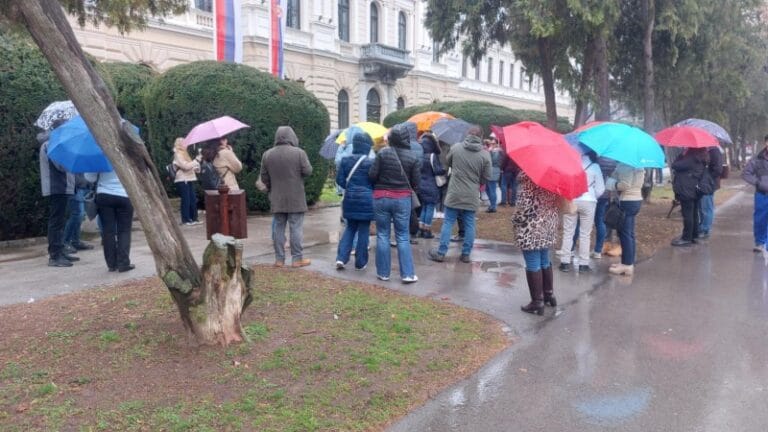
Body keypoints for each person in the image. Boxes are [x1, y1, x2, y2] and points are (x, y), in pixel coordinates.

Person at [428, 127, 492, 263]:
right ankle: (466, 254)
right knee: (469, 223)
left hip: (455, 192)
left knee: (448, 222)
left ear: (468, 135)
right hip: (471, 193)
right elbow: (487, 176)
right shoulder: (485, 154)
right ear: (481, 137)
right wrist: (477, 181)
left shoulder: (456, 148)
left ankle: (441, 252)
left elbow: (448, 162)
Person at [368, 123, 420, 283]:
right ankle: (408, 274)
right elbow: (416, 183)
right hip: (402, 199)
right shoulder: (413, 156)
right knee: (402, 236)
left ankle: (383, 273)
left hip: (381, 197)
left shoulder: (383, 153)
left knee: (383, 234)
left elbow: (372, 175)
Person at [260, 126, 313, 268]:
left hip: (276, 197)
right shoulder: (299, 153)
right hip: (296, 197)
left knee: (278, 228)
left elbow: (264, 177)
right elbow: (308, 171)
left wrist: (272, 188)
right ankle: (297, 259)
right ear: (292, 137)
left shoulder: (267, 154)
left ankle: (279, 259)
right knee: (295, 228)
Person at [513, 172, 560, 315]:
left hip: (531, 227)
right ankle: (548, 295)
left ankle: (537, 302)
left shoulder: (528, 179)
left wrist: (515, 219)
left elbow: (523, 207)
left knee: (533, 262)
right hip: (548, 224)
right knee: (544, 260)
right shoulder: (554, 178)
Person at [39, 124, 80, 267]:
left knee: (60, 221)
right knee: (56, 221)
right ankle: (55, 255)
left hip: (63, 187)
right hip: (56, 187)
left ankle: (60, 250)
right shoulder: (50, 145)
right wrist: (71, 157)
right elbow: (60, 166)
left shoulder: (54, 144)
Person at [558, 152, 605, 273]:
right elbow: (601, 189)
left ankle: (565, 262)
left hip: (572, 200)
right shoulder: (595, 167)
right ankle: (583, 264)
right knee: (585, 234)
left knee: (568, 232)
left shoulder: (570, 165)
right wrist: (592, 195)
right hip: (589, 201)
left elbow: (564, 183)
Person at [335, 132, 375, 270]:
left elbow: (339, 180)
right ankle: (360, 262)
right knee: (364, 230)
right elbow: (375, 181)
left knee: (350, 228)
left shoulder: (345, 161)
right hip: (367, 200)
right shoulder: (371, 163)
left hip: (350, 199)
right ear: (367, 147)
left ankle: (341, 258)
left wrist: (350, 188)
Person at [86, 169, 134, 272]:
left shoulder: (99, 156)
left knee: (108, 231)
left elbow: (89, 178)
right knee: (124, 231)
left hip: (104, 195)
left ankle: (111, 264)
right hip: (124, 194)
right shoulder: (125, 155)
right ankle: (123, 263)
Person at [604, 163, 645, 275]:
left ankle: (627, 265)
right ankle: (627, 262)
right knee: (629, 233)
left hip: (627, 200)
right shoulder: (639, 165)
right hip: (636, 199)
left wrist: (612, 183)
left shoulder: (626, 165)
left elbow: (625, 185)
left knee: (625, 234)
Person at [671, 148, 709, 247]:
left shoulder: (690, 159)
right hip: (695, 190)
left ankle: (686, 238)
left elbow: (675, 165)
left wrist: (681, 155)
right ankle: (694, 236)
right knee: (694, 214)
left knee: (687, 215)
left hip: (686, 190)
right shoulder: (701, 159)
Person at [742, 135, 768, 252]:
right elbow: (746, 174)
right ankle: (760, 242)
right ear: (765, 143)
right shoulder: (757, 160)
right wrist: (758, 183)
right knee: (760, 219)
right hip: (762, 194)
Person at [417, 132, 445, 239]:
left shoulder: (420, 155)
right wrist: (443, 170)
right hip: (431, 184)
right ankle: (427, 230)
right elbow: (437, 170)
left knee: (424, 206)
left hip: (421, 184)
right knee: (430, 207)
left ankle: (421, 229)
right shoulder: (432, 156)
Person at [171, 138, 201, 226]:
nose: (186, 145)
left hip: (190, 178)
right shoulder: (178, 154)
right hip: (182, 179)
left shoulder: (185, 154)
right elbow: (185, 166)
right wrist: (196, 161)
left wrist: (196, 167)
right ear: (180, 144)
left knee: (192, 199)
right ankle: (186, 219)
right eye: (184, 143)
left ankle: (194, 218)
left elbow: (191, 166)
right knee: (186, 200)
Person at [63, 174, 95, 253]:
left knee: (79, 215)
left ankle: (75, 241)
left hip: (84, 188)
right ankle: (65, 242)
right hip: (75, 189)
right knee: (77, 214)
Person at [592, 157, 617, 258]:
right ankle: (598, 249)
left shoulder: (597, 160)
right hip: (605, 193)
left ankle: (571, 249)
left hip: (592, 193)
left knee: (583, 222)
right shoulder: (613, 161)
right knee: (600, 221)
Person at [697, 146, 724, 239]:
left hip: (708, 184)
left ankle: (705, 229)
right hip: (702, 183)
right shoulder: (704, 150)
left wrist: (708, 177)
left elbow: (718, 169)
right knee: (701, 207)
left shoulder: (714, 151)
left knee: (707, 207)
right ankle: (702, 227)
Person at [486, 138, 502, 213]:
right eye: (491, 143)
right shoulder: (495, 151)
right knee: (488, 188)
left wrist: (490, 152)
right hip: (492, 171)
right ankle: (492, 204)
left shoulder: (497, 151)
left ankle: (493, 206)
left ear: (496, 144)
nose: (491, 145)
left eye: (493, 143)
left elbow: (493, 161)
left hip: (494, 171)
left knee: (492, 189)